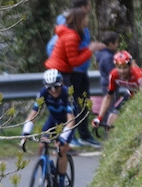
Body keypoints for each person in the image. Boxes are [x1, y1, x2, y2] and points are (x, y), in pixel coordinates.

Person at [45, 0, 105, 147]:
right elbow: (74, 61)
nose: (88, 20)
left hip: (67, 71)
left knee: (74, 102)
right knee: (68, 103)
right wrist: (90, 50)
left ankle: (69, 136)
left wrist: (90, 48)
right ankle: (65, 137)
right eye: (86, 18)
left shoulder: (75, 34)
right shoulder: (71, 36)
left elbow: (75, 55)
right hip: (61, 72)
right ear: (80, 19)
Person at [21, 69, 78, 187]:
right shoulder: (43, 93)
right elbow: (33, 114)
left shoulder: (67, 94)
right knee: (42, 144)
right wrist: (26, 132)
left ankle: (61, 186)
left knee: (61, 150)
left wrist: (63, 138)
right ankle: (45, 172)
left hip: (67, 123)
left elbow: (71, 120)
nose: (53, 90)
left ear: (61, 84)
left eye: (56, 87)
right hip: (53, 121)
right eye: (49, 88)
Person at [97, 51, 142, 131]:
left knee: (136, 117)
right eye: (119, 67)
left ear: (130, 66)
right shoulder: (113, 75)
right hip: (131, 93)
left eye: (125, 67)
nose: (121, 71)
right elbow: (108, 97)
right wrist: (99, 118)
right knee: (111, 121)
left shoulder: (138, 75)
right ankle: (112, 141)